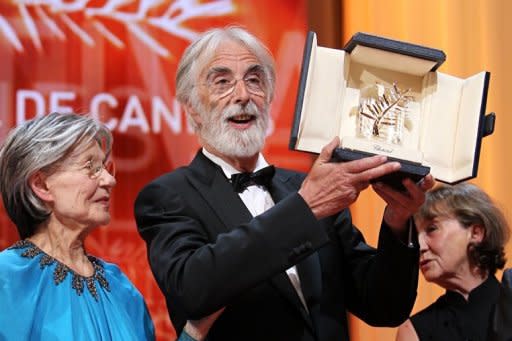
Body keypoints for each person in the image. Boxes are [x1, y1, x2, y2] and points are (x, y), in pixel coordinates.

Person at [134, 26, 434, 341]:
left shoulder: (309, 187)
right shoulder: (168, 196)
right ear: (192, 107)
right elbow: (193, 289)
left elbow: (383, 307)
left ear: (270, 99)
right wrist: (305, 209)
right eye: (222, 82)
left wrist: (398, 219)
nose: (242, 95)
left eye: (254, 80)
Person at [0, 112, 155, 340]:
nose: (109, 180)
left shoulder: (121, 287)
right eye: (90, 167)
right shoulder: (7, 279)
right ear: (42, 185)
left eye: (104, 166)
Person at [396, 183, 511, 341]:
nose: (419, 246)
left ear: (476, 233)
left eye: (432, 229)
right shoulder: (414, 331)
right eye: (415, 236)